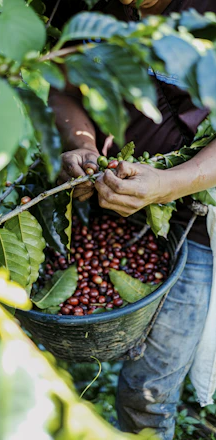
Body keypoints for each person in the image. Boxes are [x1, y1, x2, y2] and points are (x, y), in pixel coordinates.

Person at [48, 1, 216, 439]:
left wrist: (170, 185)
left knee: (148, 391)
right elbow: (63, 86)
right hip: (111, 202)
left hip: (197, 220)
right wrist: (81, 145)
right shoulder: (82, 6)